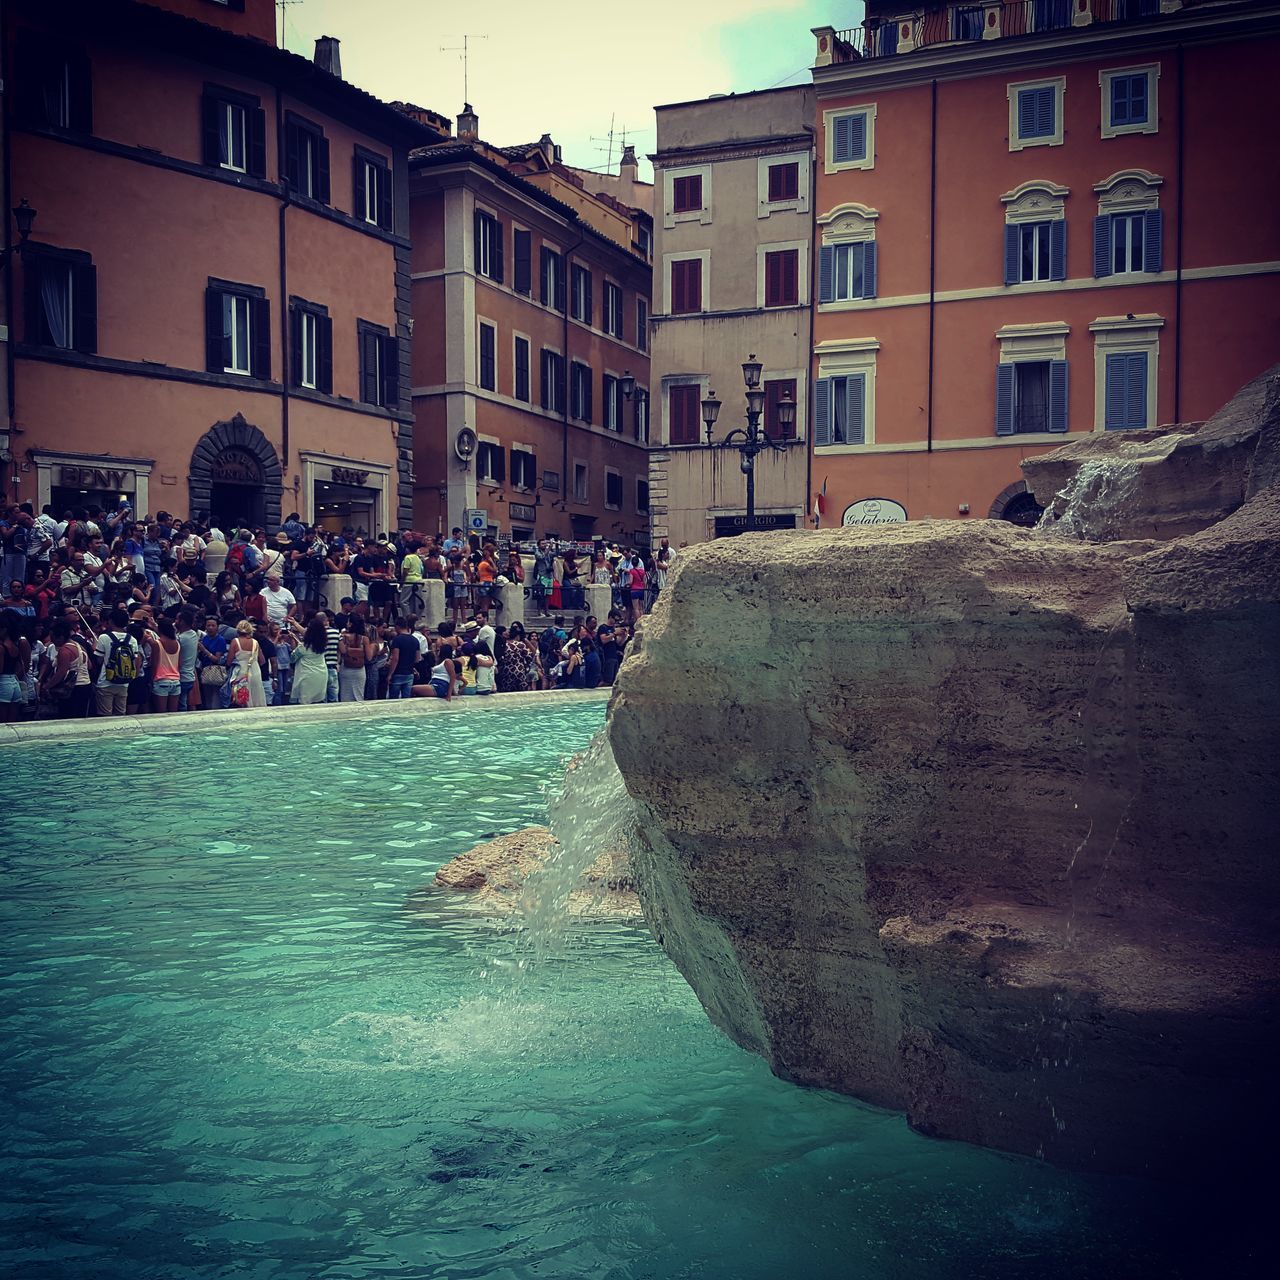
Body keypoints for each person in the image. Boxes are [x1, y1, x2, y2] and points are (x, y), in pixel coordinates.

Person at [91, 607, 142, 717]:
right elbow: (135, 659)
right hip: (124, 682)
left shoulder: (104, 637)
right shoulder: (132, 639)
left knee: (105, 715)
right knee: (120, 714)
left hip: (106, 681)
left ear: (111, 621)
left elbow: (99, 660)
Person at [40, 618, 92, 718]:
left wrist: (47, 686)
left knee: (68, 716)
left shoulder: (64, 650)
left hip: (72, 689)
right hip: (85, 685)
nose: (52, 642)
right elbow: (89, 665)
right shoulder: (79, 646)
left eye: (53, 638)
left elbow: (61, 672)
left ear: (60, 637)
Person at [227, 618, 267, 708]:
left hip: (241, 671)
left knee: (242, 696)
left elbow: (229, 661)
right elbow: (262, 660)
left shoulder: (235, 642)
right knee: (256, 694)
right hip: (255, 670)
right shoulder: (255, 642)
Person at [289, 617, 329, 705]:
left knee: (305, 702)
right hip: (321, 674)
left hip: (307, 676)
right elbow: (309, 635)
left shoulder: (303, 647)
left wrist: (293, 640)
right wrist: (295, 623)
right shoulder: (323, 644)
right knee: (318, 702)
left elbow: (292, 658)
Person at [337, 615, 373, 702]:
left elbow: (343, 651)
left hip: (346, 669)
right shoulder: (364, 639)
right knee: (359, 696)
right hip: (359, 671)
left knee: (345, 695)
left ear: (351, 624)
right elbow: (369, 657)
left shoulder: (343, 637)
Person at [150, 617, 182, 714]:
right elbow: (179, 664)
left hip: (161, 680)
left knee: (161, 714)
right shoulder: (177, 643)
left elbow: (154, 664)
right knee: (173, 714)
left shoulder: (157, 643)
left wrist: (152, 679)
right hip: (176, 681)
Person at [496, 621, 537, 693]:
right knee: (522, 691)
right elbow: (529, 656)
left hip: (507, 670)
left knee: (507, 691)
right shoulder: (520, 644)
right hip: (519, 670)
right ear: (517, 636)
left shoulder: (505, 644)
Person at [385, 618, 420, 699]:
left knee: (394, 699)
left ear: (397, 626)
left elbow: (395, 658)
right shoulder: (415, 640)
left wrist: (390, 674)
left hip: (398, 672)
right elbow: (417, 658)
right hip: (409, 673)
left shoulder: (397, 640)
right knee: (406, 699)